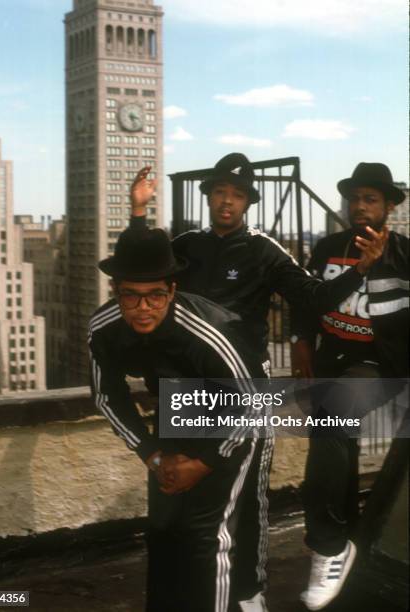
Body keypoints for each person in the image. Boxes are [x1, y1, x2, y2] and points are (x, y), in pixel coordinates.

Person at [128, 153, 390, 607]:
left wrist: (360, 270)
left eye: (237, 195)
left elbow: (313, 298)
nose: (226, 202)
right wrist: (137, 214)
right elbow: (141, 269)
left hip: (244, 392)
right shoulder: (187, 245)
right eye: (219, 192)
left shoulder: (265, 250)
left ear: (248, 202)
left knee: (246, 504)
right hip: (187, 391)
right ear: (207, 196)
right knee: (174, 504)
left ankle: (250, 595)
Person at [88, 224, 272, 612]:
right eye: (131, 296)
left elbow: (253, 404)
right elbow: (108, 396)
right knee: (165, 528)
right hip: (178, 403)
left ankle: (241, 598)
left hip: (236, 408)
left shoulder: (211, 332)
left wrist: (204, 463)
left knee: (208, 536)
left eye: (155, 295)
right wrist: (153, 455)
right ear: (115, 291)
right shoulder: (104, 330)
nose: (142, 309)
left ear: (172, 290)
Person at [289, 162, 409, 610]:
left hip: (376, 366)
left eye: (371, 199)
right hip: (330, 362)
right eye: (354, 198)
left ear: (389, 207)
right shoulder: (327, 248)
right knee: (336, 440)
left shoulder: (404, 255)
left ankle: (327, 546)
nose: (359, 207)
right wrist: (301, 342)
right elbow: (305, 300)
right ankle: (347, 535)